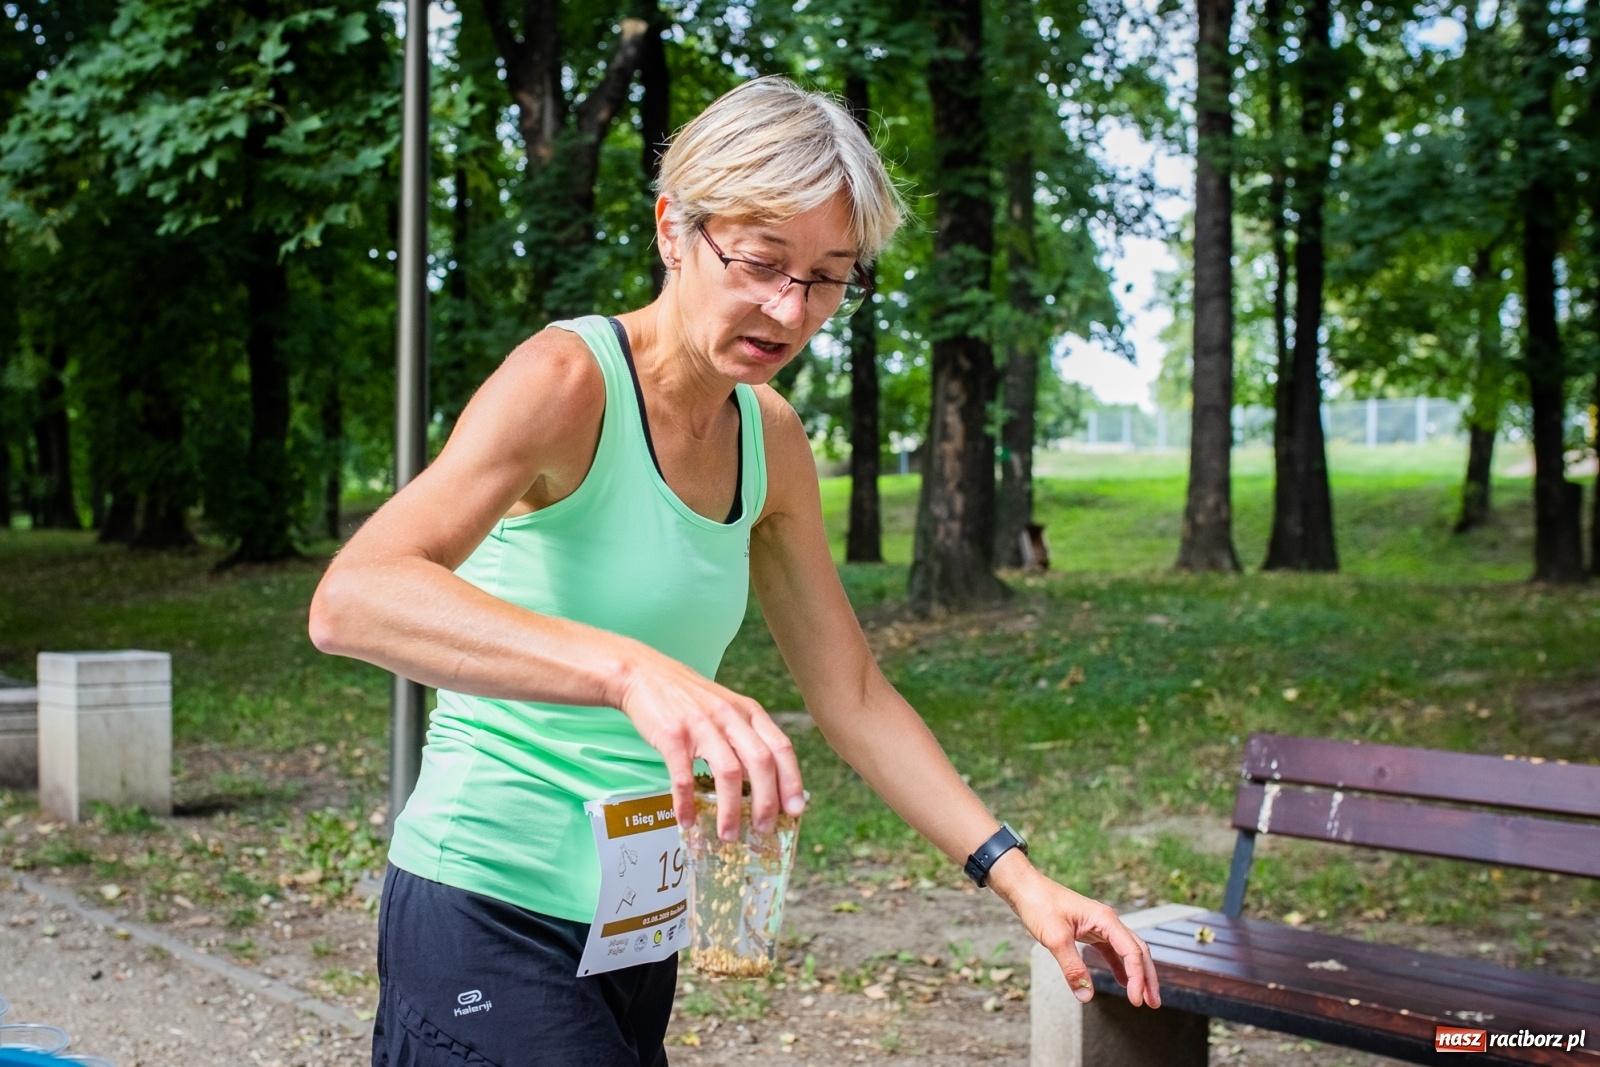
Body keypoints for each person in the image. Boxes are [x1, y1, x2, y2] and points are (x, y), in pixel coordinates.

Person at [309, 75, 1160, 1067]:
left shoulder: (771, 438)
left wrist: (1019, 877)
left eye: (828, 276)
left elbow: (850, 691)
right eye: (760, 262)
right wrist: (629, 669)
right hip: (486, 904)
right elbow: (353, 597)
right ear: (675, 228)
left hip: (635, 922)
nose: (789, 307)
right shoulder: (567, 380)